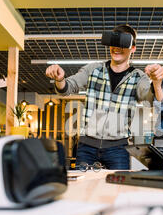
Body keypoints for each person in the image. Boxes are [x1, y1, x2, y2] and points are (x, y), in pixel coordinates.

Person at [45, 24, 154, 169]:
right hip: (87, 147)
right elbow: (67, 88)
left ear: (132, 48)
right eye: (114, 43)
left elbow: (151, 98)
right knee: (83, 188)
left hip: (118, 149)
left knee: (117, 189)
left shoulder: (139, 78)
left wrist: (157, 83)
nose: (117, 48)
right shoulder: (93, 69)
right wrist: (59, 79)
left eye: (122, 44)